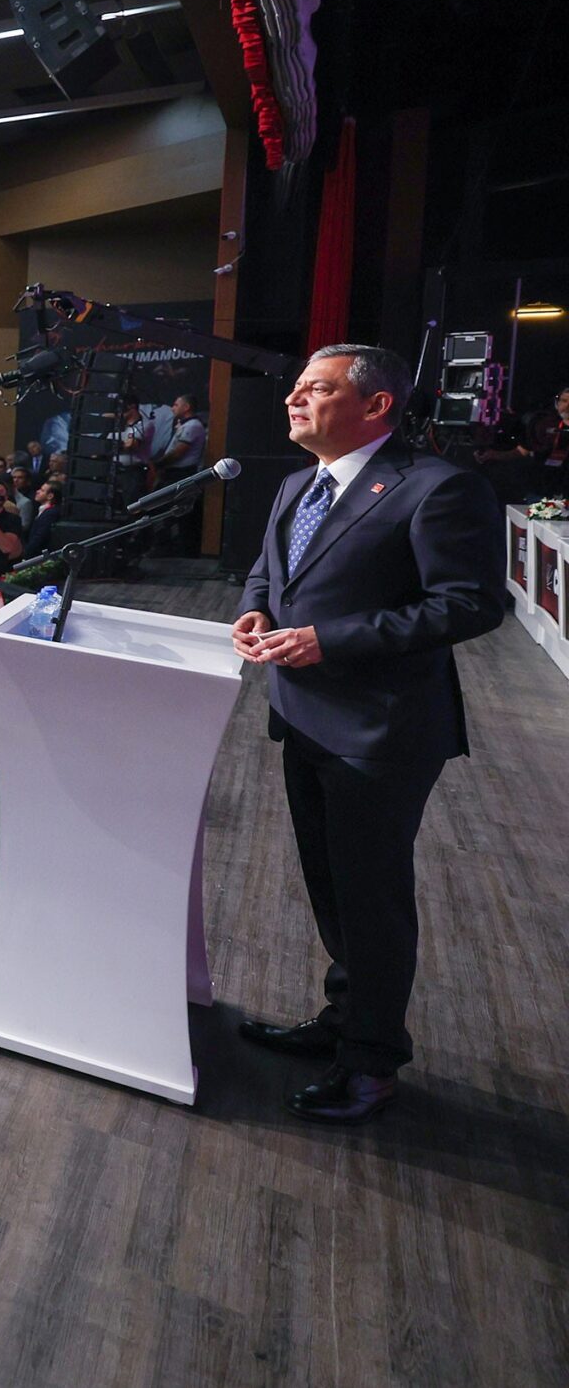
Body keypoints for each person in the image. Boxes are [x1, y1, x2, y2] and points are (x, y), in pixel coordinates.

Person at [231, 343, 507, 1124]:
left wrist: (330, 639)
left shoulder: (438, 487)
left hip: (380, 730)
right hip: (303, 715)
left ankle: (373, 1062)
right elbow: (271, 570)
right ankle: (345, 1018)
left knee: (371, 901)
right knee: (332, 889)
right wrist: (255, 606)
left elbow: (469, 604)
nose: (294, 398)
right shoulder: (298, 482)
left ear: (377, 404)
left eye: (315, 388)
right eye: (295, 386)